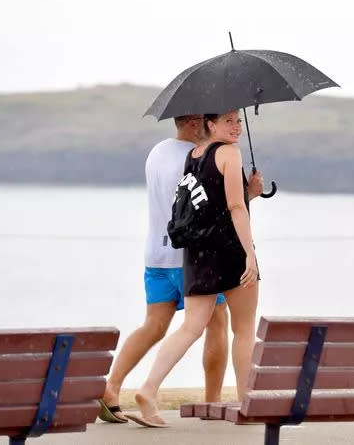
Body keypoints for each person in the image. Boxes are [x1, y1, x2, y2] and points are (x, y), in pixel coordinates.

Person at [98, 114, 263, 423]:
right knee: (223, 323)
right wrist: (248, 195)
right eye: (226, 120)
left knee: (156, 326)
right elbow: (226, 208)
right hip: (193, 257)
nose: (235, 126)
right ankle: (214, 400)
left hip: (157, 255)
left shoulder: (160, 152)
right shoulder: (212, 153)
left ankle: (114, 386)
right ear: (199, 123)